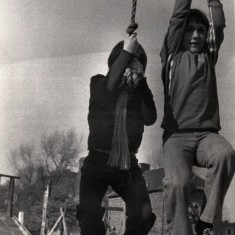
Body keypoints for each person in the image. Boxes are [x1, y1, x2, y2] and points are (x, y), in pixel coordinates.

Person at [159, 0, 235, 234]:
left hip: (207, 136)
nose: (195, 35)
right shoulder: (173, 56)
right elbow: (178, 15)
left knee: (225, 154)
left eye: (201, 31)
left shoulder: (208, 55)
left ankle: (207, 223)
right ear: (180, 34)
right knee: (177, 183)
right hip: (177, 137)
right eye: (190, 30)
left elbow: (218, 25)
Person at [76, 33, 157, 235]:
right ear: (116, 62)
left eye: (137, 64)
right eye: (126, 62)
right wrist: (127, 51)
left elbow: (150, 118)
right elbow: (110, 86)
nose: (131, 67)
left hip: (127, 165)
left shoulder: (138, 93)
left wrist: (141, 82)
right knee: (89, 216)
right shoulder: (98, 83)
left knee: (144, 214)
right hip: (97, 161)